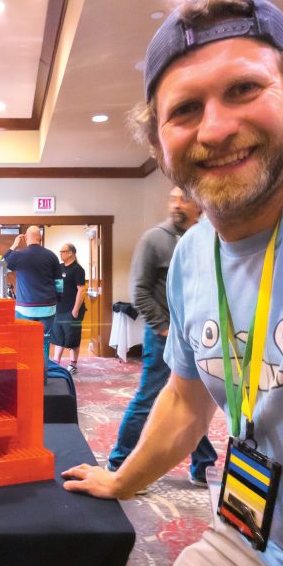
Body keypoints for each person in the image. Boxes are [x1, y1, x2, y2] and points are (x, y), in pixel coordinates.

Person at [61, 0, 283, 566]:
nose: (216, 128)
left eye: (243, 88)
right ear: (158, 144)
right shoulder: (192, 254)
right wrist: (121, 480)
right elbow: (184, 399)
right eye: (184, 110)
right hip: (255, 541)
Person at [107, 187, 218, 487]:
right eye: (173, 198)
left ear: (200, 203)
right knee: (149, 398)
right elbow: (139, 290)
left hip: (200, 337)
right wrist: (164, 327)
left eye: (184, 198)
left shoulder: (209, 237)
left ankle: (202, 466)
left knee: (195, 398)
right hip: (164, 336)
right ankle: (118, 463)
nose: (177, 204)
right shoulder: (154, 239)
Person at [3, 225, 61, 350]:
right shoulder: (52, 256)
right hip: (48, 307)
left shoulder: (19, 255)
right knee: (44, 341)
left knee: (24, 341)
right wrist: (57, 299)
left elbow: (2, 265)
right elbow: (59, 283)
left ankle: (27, 368)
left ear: (26, 238)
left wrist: (14, 245)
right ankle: (43, 369)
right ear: (40, 238)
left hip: (25, 308)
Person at [51, 242, 87, 373]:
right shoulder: (59, 267)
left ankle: (73, 365)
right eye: (60, 251)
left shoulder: (77, 269)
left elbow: (81, 290)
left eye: (63, 251)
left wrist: (76, 309)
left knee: (72, 337)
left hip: (72, 309)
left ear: (71, 252)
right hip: (59, 308)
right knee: (58, 336)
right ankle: (56, 362)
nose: (60, 253)